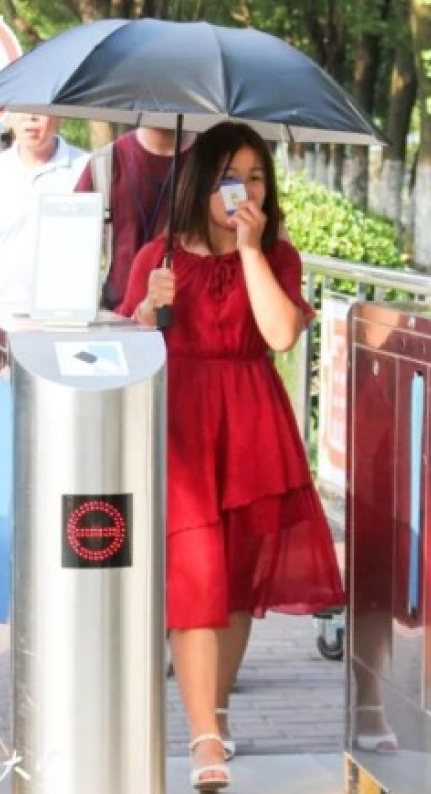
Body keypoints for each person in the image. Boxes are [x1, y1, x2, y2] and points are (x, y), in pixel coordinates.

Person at [117, 122, 344, 791]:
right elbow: (134, 349)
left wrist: (250, 250)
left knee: (238, 584)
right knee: (194, 581)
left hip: (252, 427)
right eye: (228, 174)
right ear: (200, 180)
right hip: (182, 430)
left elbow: (278, 334)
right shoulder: (157, 259)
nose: (241, 187)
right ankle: (204, 736)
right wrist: (146, 313)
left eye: (255, 175)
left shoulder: (280, 255)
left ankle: (212, 708)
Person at [0, 113, 88, 306]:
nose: (31, 117)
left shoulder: (85, 168)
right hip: (2, 312)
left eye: (40, 108)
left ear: (61, 116)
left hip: (69, 315)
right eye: (23, 109)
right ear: (10, 117)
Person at [75, 126, 196, 312]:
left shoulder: (214, 162)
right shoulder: (106, 163)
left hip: (191, 320)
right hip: (119, 322)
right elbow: (72, 250)